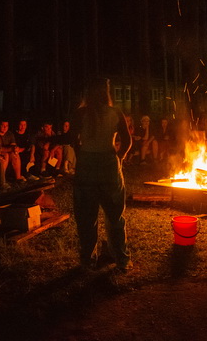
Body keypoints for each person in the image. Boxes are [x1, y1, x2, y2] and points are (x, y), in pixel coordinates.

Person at [71, 77, 133, 272]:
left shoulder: (81, 113)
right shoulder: (115, 113)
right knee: (115, 216)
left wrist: (82, 155)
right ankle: (122, 260)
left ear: (88, 93)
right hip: (108, 165)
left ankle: (88, 260)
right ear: (106, 93)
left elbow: (73, 138)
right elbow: (127, 140)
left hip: (87, 166)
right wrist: (119, 157)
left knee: (86, 217)